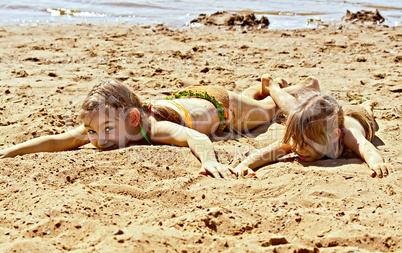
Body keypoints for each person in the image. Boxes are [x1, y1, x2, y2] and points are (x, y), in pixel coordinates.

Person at [0, 77, 313, 179]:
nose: (97, 139)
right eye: (93, 132)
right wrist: (8, 151)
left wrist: (209, 160)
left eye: (105, 130)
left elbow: (194, 135)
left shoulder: (152, 128)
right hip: (191, 97)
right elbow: (57, 141)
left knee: (272, 111)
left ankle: (279, 86)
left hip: (222, 107)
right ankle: (260, 87)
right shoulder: (106, 128)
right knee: (257, 103)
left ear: (133, 121)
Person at [234, 74, 393, 179]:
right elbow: (271, 150)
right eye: (296, 142)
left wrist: (376, 163)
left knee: (369, 115)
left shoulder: (349, 135)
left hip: (358, 116)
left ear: (334, 136)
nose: (299, 149)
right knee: (294, 109)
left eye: (306, 144)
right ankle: (272, 87)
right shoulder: (301, 138)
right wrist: (246, 164)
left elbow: (367, 148)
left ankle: (367, 106)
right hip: (325, 118)